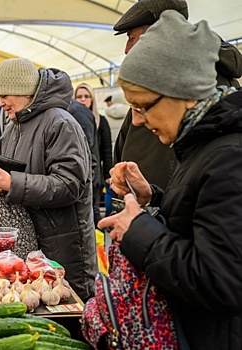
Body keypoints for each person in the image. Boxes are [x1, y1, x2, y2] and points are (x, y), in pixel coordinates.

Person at [98, 11, 242, 349]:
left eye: (144, 106)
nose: (137, 120)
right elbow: (201, 218)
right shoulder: (203, 144)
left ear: (181, 91)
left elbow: (220, 280)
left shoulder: (228, 157)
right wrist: (154, 198)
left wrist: (139, 231)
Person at [0, 57, 97, 300]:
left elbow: (70, 184)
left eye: (3, 95)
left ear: (22, 90)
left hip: (63, 246)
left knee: (70, 313)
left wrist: (14, 184)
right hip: (32, 245)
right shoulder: (14, 126)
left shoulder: (60, 123)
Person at [113, 0, 242, 190]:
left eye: (132, 38)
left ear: (160, 35)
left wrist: (149, 214)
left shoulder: (191, 87)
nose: (127, 49)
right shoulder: (158, 84)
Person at [75, 83, 113, 224]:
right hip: (79, 173)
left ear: (92, 99)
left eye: (86, 96)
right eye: (79, 96)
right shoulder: (71, 120)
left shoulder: (101, 121)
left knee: (94, 210)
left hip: (96, 174)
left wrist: (109, 174)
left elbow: (106, 150)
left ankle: (98, 242)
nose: (83, 100)